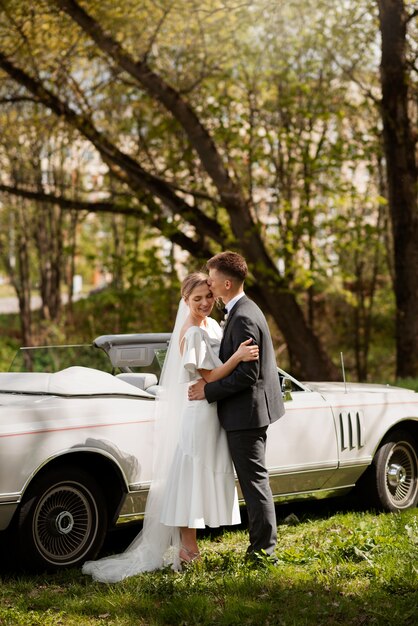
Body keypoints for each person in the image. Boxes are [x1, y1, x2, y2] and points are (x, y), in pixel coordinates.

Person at [82, 272, 258, 582]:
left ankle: (190, 547)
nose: (204, 303)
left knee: (201, 477)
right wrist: (241, 356)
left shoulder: (214, 325)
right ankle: (187, 549)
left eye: (207, 296)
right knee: (187, 477)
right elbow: (210, 376)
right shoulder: (190, 333)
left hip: (214, 411)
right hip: (199, 413)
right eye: (196, 299)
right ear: (185, 301)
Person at [188, 251, 285, 562]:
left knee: (254, 482)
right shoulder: (244, 309)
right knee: (255, 480)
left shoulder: (242, 316)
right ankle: (262, 546)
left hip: (246, 413)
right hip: (249, 411)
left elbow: (247, 375)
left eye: (213, 280)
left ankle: (262, 551)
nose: (210, 286)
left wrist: (209, 389)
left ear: (226, 283)